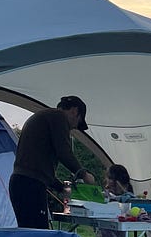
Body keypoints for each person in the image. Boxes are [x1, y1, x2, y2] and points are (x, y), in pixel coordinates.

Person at [8, 95, 95, 229]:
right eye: (78, 122)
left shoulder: (44, 118)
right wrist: (83, 174)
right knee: (39, 234)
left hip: (22, 182)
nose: (73, 128)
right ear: (74, 111)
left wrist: (61, 188)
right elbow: (63, 151)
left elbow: (38, 167)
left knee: (29, 232)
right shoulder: (58, 117)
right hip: (31, 186)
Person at [91, 162, 134, 237]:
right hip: (105, 231)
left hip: (121, 232)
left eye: (111, 178)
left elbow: (131, 202)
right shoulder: (105, 195)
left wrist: (123, 193)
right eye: (108, 178)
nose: (108, 181)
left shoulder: (128, 196)